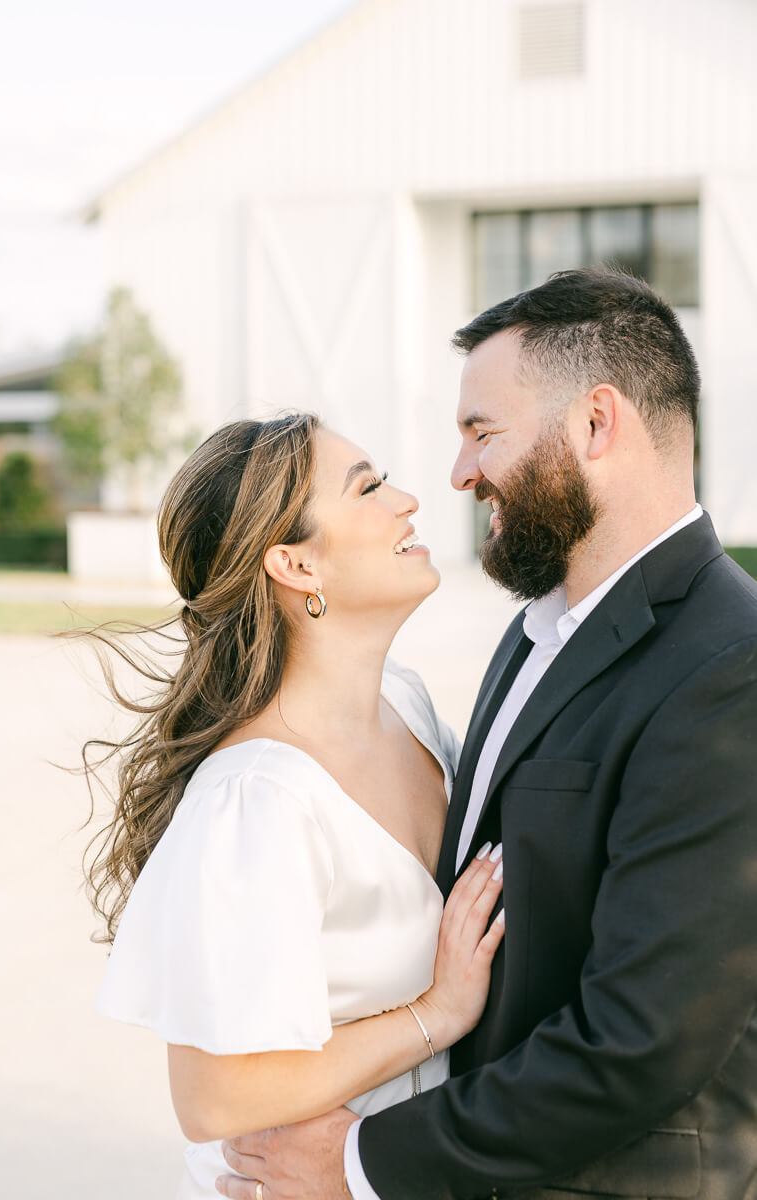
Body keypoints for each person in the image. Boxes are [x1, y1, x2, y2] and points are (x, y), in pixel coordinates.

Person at [218, 269, 757, 1200]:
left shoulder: (729, 666)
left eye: (483, 432)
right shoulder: (538, 627)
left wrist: (358, 1163)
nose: (461, 473)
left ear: (597, 424)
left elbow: (639, 1043)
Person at [90, 413, 508, 1199]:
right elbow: (215, 1096)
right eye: (370, 487)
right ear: (295, 564)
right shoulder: (257, 801)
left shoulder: (408, 707)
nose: (409, 500)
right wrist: (437, 1013)